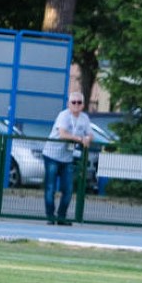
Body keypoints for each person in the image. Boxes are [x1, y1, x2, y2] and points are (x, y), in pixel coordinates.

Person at [42, 92, 92, 225]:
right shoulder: (63, 115)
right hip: (52, 155)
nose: (76, 105)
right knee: (50, 187)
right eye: (73, 102)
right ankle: (50, 216)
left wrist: (88, 138)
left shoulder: (84, 118)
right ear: (68, 104)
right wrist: (81, 139)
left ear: (83, 104)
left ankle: (62, 216)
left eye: (79, 102)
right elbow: (63, 133)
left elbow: (90, 134)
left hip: (67, 158)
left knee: (68, 189)